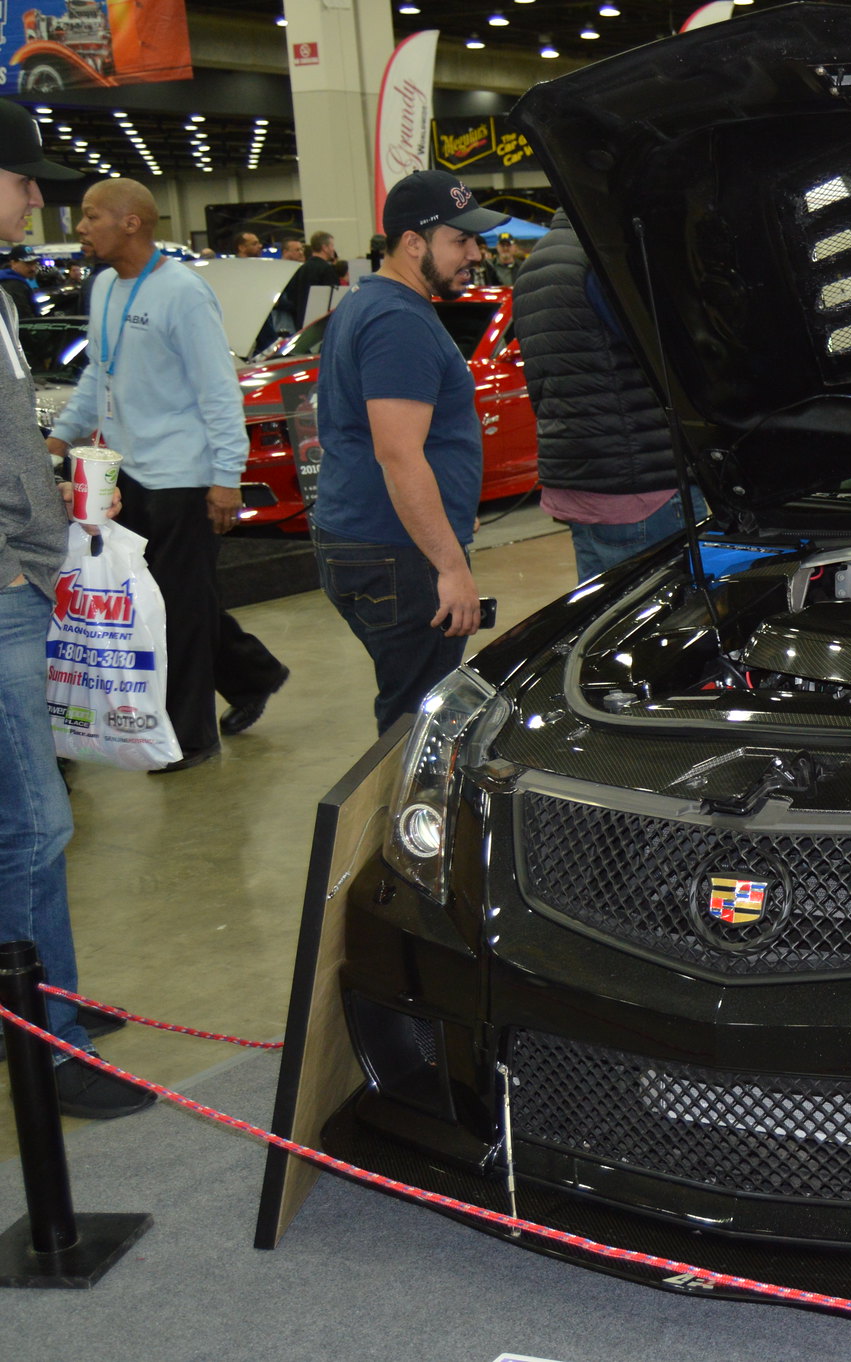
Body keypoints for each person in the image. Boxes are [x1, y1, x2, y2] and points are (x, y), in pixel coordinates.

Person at [0, 101, 154, 1118]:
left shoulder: (4, 303)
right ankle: (43, 1042)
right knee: (34, 825)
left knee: (30, 819)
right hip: (4, 589)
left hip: (27, 574)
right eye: (23, 181)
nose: (38, 200)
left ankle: (50, 996)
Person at [44, 179, 290, 771]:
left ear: (131, 223)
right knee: (168, 600)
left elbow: (218, 392)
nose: (80, 227)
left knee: (177, 607)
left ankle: (190, 738)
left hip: (182, 476)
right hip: (124, 474)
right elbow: (98, 378)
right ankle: (253, 672)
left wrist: (226, 477)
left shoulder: (183, 293)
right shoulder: (104, 286)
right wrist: (58, 438)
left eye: (90, 216)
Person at [310, 170, 506, 732]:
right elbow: (399, 455)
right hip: (399, 553)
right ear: (413, 243)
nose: (475, 254)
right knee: (419, 724)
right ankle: (404, 818)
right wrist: (450, 567)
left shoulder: (372, 302)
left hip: (370, 541)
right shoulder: (399, 320)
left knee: (412, 704)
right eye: (460, 241)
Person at [514, 210, 692, 581]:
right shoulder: (603, 259)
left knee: (600, 620)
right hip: (640, 486)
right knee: (655, 621)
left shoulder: (533, 268)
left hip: (577, 480)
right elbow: (669, 358)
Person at [0, 245, 36, 315]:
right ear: (13, 263)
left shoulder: (17, 281)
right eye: (28, 264)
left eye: (34, 263)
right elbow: (23, 319)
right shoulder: (13, 286)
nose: (33, 268)